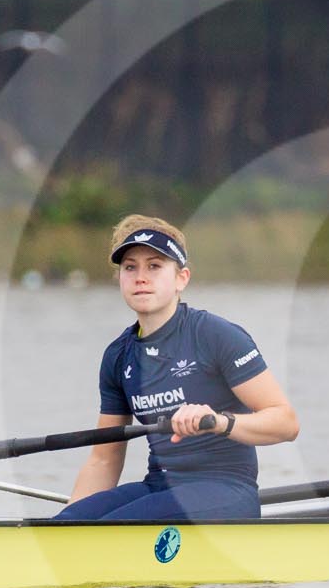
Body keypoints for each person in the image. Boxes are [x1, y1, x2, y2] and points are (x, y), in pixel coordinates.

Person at [58, 215, 298, 521]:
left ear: (181, 278)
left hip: (224, 488)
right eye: (130, 267)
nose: (140, 277)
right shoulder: (118, 356)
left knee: (110, 528)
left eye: (155, 266)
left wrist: (219, 421)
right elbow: (104, 460)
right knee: (69, 523)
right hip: (159, 486)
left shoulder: (215, 336)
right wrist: (62, 531)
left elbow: (286, 423)